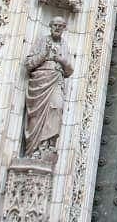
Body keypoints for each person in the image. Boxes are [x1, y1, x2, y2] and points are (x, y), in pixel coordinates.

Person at [23, 16, 73, 159]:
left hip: (56, 79)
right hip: (40, 81)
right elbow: (28, 64)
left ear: (64, 29)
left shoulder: (64, 45)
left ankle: (49, 145)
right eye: (55, 25)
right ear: (50, 26)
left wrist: (61, 60)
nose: (57, 28)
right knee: (38, 115)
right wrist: (44, 54)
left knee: (56, 107)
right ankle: (36, 148)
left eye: (61, 26)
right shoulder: (42, 41)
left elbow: (69, 70)